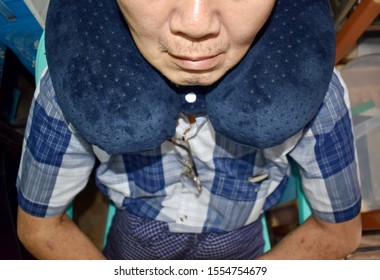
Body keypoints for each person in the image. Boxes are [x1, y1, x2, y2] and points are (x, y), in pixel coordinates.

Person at [16, 0, 362, 260]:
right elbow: (39, 226)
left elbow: (341, 234)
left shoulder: (312, 90)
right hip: (134, 232)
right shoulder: (79, 83)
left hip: (242, 238)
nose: (196, 25)